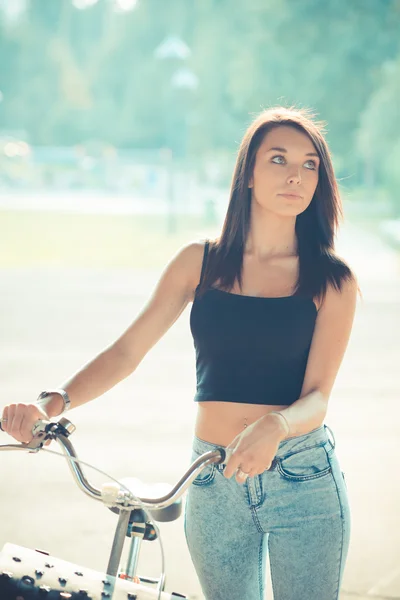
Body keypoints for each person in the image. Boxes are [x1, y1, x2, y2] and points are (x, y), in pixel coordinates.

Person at [1, 106, 358, 600]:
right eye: (278, 159)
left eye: (309, 164)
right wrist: (51, 403)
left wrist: (275, 426)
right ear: (248, 174)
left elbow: (318, 398)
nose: (296, 174)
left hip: (304, 478)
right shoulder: (200, 262)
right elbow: (127, 351)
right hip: (212, 481)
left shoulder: (332, 280)